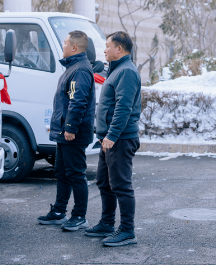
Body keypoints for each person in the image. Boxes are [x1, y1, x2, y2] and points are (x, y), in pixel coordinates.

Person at [85, 31, 141, 247]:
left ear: (119, 49)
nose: (104, 49)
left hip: (119, 139)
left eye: (108, 45)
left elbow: (123, 107)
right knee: (104, 181)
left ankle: (127, 231)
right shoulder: (116, 70)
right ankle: (107, 223)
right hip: (109, 138)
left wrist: (112, 135)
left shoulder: (126, 72)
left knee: (121, 185)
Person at [37, 30, 95, 231]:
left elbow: (78, 102)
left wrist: (70, 127)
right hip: (65, 132)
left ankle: (79, 216)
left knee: (76, 174)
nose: (62, 46)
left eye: (64, 43)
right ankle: (59, 211)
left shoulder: (80, 70)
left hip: (73, 134)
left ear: (74, 47)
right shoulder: (73, 67)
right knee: (61, 172)